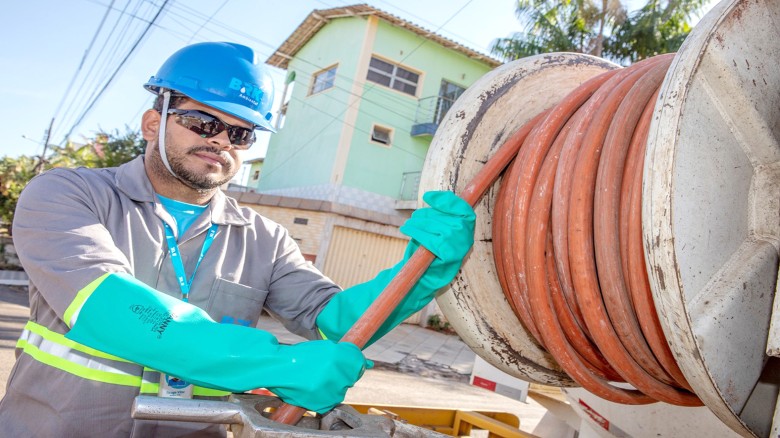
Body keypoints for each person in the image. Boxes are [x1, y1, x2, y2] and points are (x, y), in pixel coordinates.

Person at [0, 42, 475, 436]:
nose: (222, 140)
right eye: (204, 122)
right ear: (153, 122)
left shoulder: (265, 239)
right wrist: (274, 363)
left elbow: (337, 322)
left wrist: (422, 272)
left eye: (241, 132)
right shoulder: (68, 194)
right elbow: (108, 308)